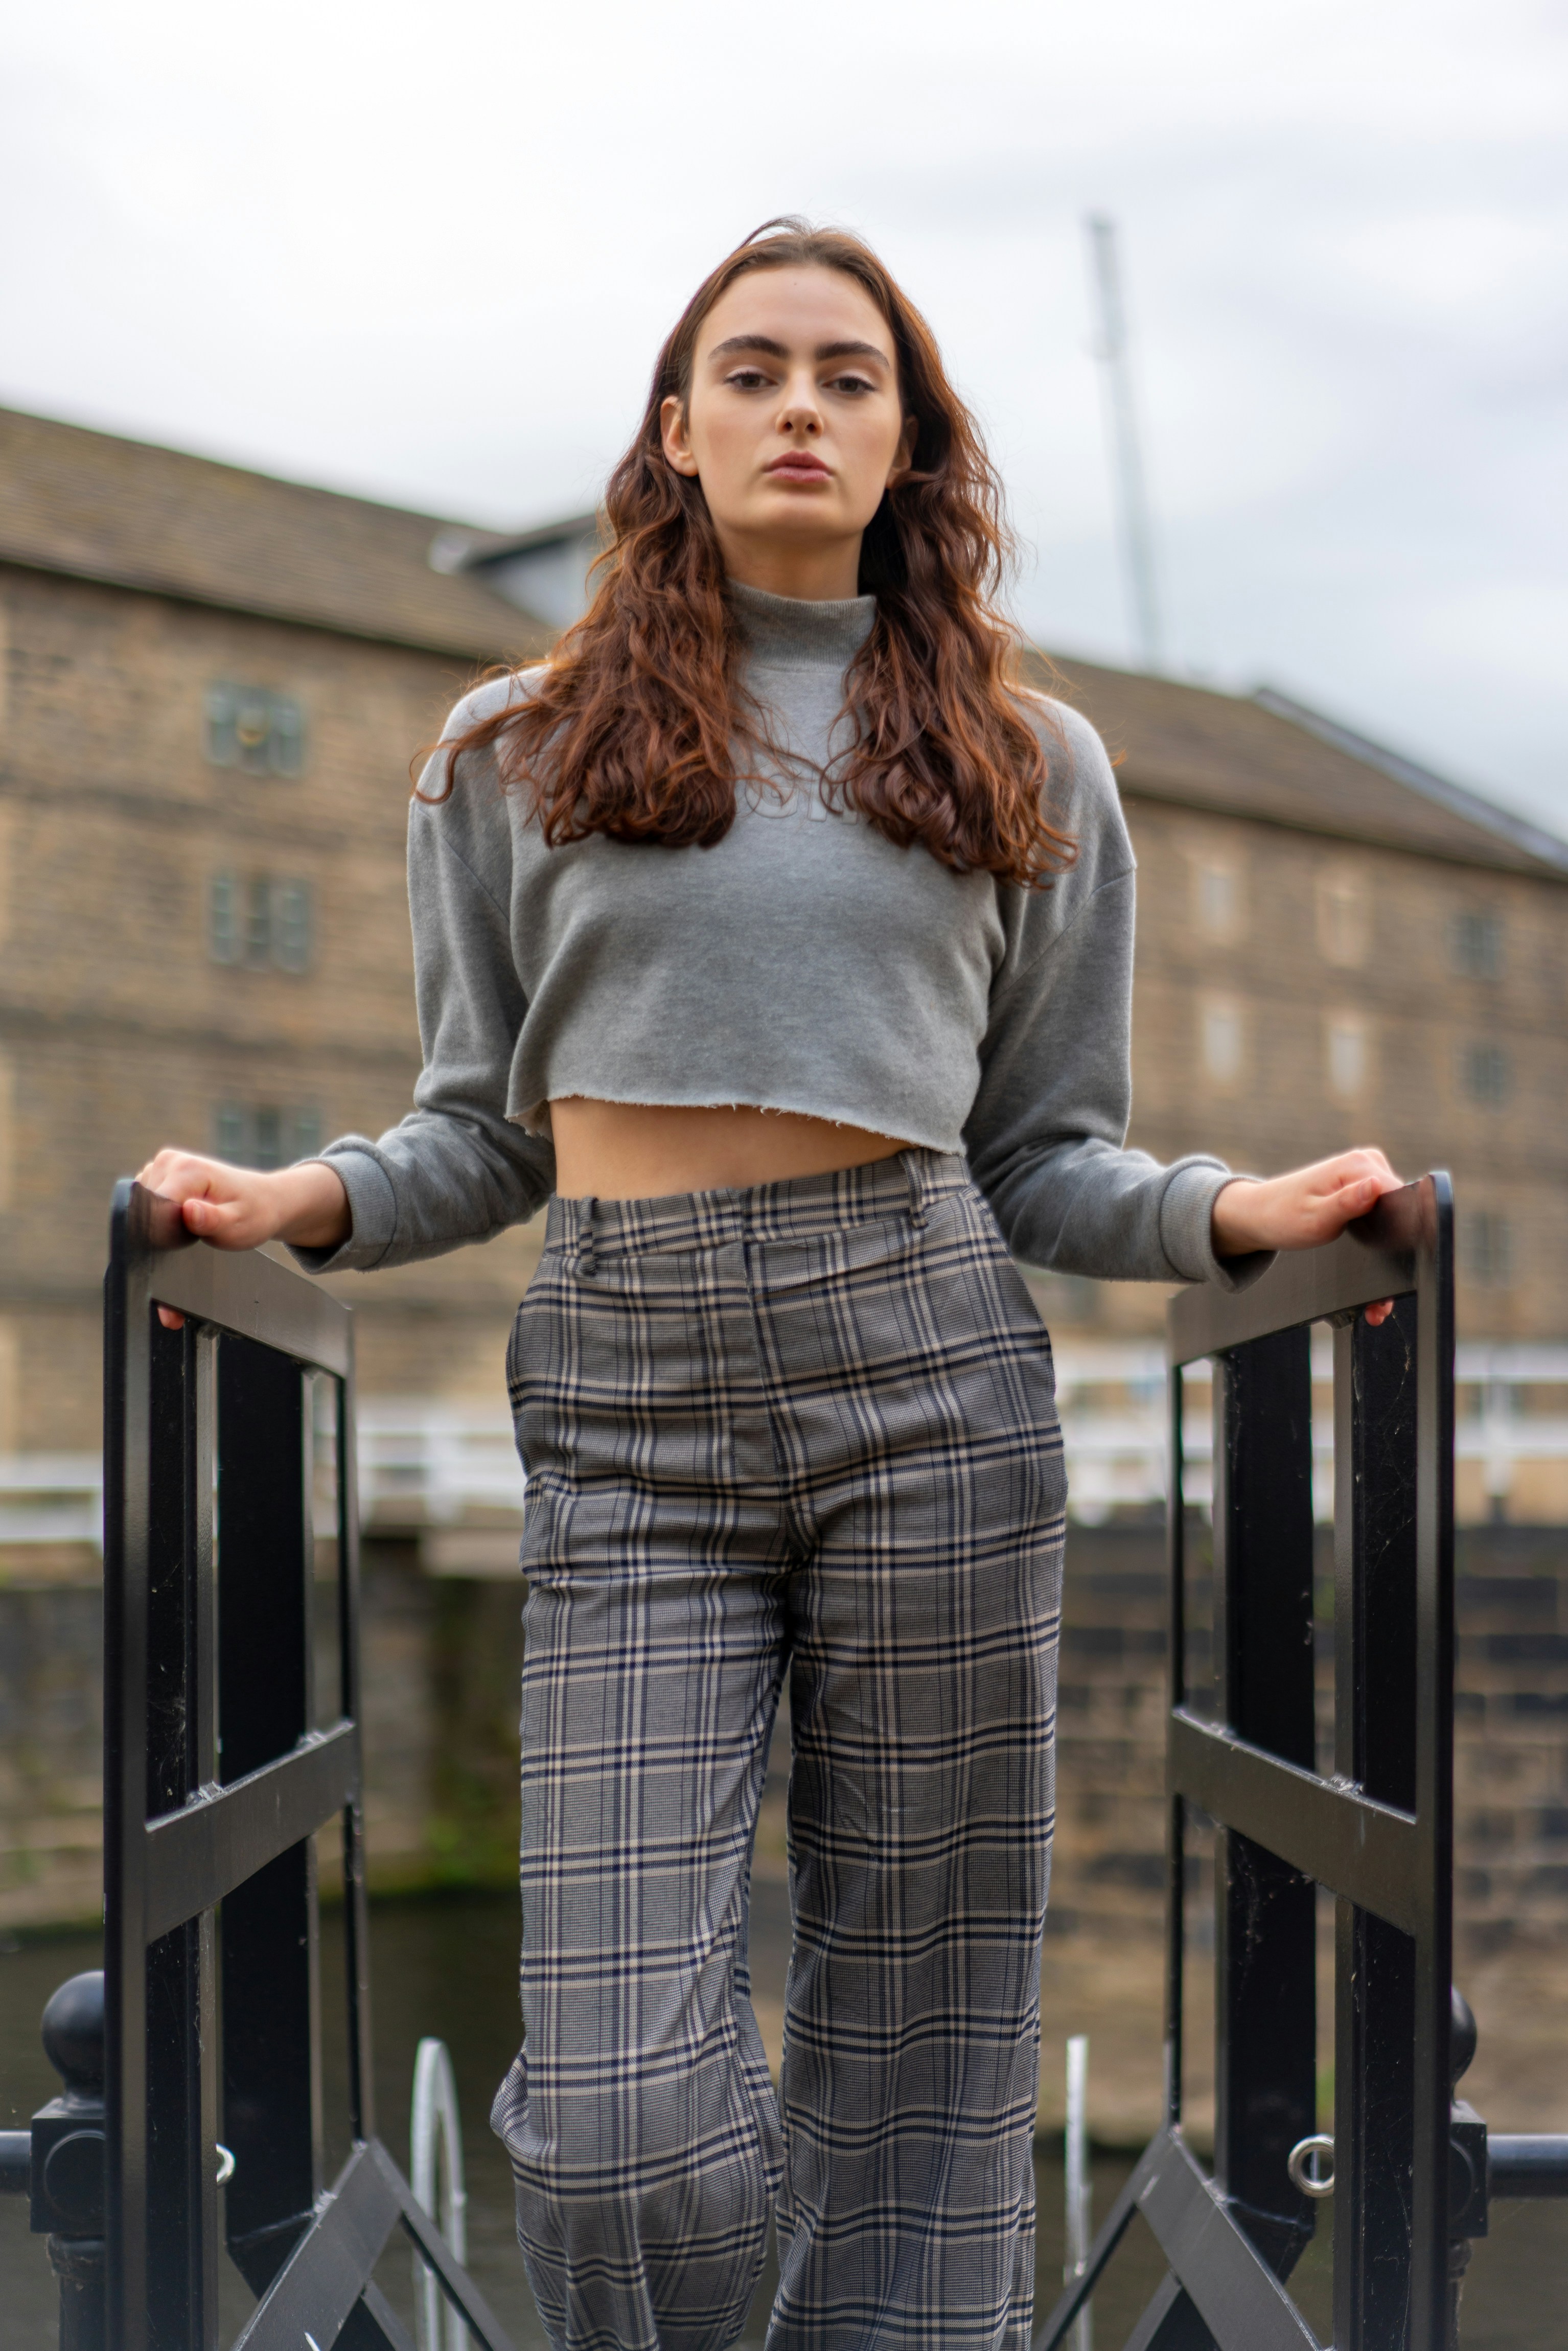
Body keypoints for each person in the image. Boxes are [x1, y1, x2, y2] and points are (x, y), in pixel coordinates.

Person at [140, 219, 1398, 2351]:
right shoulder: (509, 745)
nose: (798, 406)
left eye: (846, 376)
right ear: (676, 426)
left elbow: (1037, 1153)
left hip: (925, 1355)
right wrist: (309, 1201)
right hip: (623, 1385)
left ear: (906, 442)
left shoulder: (1033, 756)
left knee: (916, 2040)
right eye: (751, 371)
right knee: (624, 2107)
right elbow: (484, 1128)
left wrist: (1223, 1217)